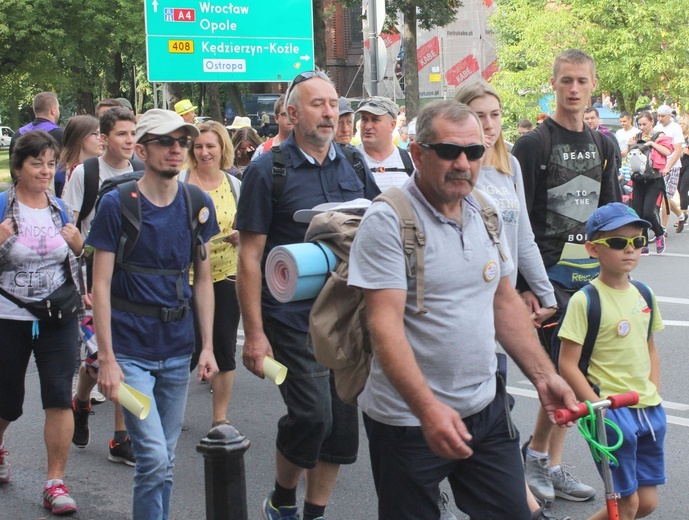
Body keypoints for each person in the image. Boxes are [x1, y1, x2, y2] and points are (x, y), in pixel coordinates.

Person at [348, 99, 578, 520]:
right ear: (417, 153)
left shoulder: (485, 211)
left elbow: (503, 300)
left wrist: (545, 377)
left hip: (484, 408)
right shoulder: (388, 220)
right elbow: (383, 326)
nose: (463, 163)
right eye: (448, 151)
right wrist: (428, 409)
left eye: (473, 152)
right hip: (408, 421)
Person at [236, 70, 379, 520]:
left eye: (333, 103)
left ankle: (313, 513)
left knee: (341, 427)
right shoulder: (268, 170)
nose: (329, 112)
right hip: (292, 319)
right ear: (292, 114)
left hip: (347, 315)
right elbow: (249, 258)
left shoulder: (354, 164)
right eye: (317, 104)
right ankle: (281, 497)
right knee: (313, 415)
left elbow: (380, 228)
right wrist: (255, 336)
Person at [88, 109, 219, 520]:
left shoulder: (197, 203)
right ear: (142, 150)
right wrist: (106, 359)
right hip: (129, 354)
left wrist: (208, 347)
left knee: (167, 460)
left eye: (182, 141)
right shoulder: (116, 205)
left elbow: (202, 280)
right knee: (153, 457)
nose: (177, 149)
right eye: (166, 141)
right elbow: (101, 286)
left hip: (178, 351)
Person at [512, 49, 621, 506]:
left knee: (575, 374)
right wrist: (523, 289)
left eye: (581, 81)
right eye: (565, 81)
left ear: (593, 85)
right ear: (553, 84)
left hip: (590, 277)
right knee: (565, 375)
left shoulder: (604, 145)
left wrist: (617, 273)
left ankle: (544, 460)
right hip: (547, 278)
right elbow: (518, 222)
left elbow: (614, 216)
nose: (573, 89)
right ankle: (540, 458)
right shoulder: (533, 145)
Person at [455, 81, 567, 520]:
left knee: (497, 401)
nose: (488, 124)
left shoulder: (509, 166)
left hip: (504, 300)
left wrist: (543, 291)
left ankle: (511, 497)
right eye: (478, 115)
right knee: (484, 403)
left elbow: (522, 240)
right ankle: (513, 499)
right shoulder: (454, 165)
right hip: (471, 303)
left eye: (494, 115)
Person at [558, 203, 666, 520]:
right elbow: (567, 364)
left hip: (647, 409)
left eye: (637, 241)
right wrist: (596, 409)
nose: (629, 249)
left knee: (646, 503)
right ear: (593, 249)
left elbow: (650, 348)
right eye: (618, 242)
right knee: (625, 505)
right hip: (610, 413)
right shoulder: (585, 300)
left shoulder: (644, 293)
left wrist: (653, 391)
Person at [0, 131, 85, 515]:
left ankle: (55, 482)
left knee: (57, 395)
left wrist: (79, 246)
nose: (45, 171)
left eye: (51, 164)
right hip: (9, 316)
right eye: (37, 163)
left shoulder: (60, 209)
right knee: (7, 399)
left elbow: (75, 264)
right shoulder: (2, 207)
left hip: (57, 317)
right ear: (18, 167)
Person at [62, 106, 139, 465]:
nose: (129, 140)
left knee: (123, 355)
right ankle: (80, 402)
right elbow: (66, 227)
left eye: (133, 133)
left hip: (131, 277)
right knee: (101, 358)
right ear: (104, 138)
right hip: (91, 275)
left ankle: (121, 438)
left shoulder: (141, 171)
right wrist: (83, 255)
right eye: (122, 134)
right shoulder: (86, 173)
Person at [179, 121, 242, 427]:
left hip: (227, 275)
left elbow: (246, 224)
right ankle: (169, 411)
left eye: (211, 146)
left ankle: (220, 418)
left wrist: (240, 235)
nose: (204, 152)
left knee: (225, 347)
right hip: (185, 279)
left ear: (222, 150)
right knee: (186, 349)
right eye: (199, 146)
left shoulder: (234, 184)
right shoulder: (181, 182)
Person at [627, 112, 672, 255]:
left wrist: (652, 144)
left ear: (652, 122)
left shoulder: (660, 136)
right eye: (639, 124)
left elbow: (667, 151)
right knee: (639, 213)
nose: (642, 127)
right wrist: (630, 146)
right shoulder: (637, 137)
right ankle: (643, 242)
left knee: (648, 212)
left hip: (654, 179)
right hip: (639, 179)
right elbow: (631, 156)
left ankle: (659, 233)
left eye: (644, 124)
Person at [356, 96, 413, 190]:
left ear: (392, 125)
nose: (368, 126)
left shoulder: (409, 161)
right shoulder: (347, 161)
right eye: (364, 119)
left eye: (375, 120)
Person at [654, 105, 684, 230]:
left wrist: (669, 167)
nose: (660, 118)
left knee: (665, 197)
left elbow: (678, 151)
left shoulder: (676, 128)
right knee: (661, 195)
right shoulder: (657, 128)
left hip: (673, 167)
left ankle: (663, 228)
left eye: (663, 116)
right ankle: (681, 215)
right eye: (658, 116)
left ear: (670, 115)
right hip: (660, 167)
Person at [57, 115, 103, 196]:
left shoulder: (104, 170)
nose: (101, 139)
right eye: (96, 134)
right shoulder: (57, 174)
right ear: (80, 137)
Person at [9, 92, 64, 159]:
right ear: (53, 110)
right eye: (58, 108)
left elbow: (12, 166)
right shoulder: (60, 135)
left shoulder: (17, 134)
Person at [675, 114, 689, 232]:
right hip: (679, 165)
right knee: (679, 189)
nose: (681, 126)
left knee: (684, 189)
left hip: (688, 166)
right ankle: (684, 211)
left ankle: (683, 216)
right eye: (680, 124)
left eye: (683, 124)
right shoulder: (678, 138)